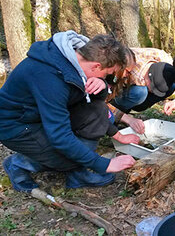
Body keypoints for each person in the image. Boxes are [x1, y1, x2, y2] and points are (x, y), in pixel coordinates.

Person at [0, 30, 136, 193]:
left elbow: (95, 105)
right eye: (107, 74)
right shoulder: (49, 77)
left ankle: (76, 172)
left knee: (96, 112)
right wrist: (104, 164)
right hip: (16, 126)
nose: (107, 77)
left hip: (43, 116)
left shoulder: (78, 60)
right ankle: (18, 163)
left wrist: (101, 85)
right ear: (96, 66)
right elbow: (60, 136)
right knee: (69, 155)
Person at [109, 48, 175, 134]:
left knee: (172, 87)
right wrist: (125, 118)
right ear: (148, 77)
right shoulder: (127, 72)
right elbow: (103, 101)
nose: (153, 93)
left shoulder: (163, 59)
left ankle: (139, 106)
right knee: (140, 92)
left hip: (137, 85)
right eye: (153, 88)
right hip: (120, 91)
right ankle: (118, 115)